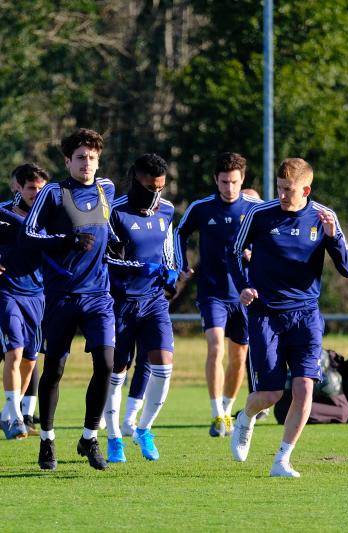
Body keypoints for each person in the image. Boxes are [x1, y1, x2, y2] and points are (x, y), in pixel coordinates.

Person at [229, 158, 348, 477]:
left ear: (306, 189)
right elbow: (233, 253)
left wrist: (333, 237)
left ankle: (282, 460)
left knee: (304, 388)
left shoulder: (324, 217)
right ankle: (245, 418)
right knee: (270, 394)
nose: (283, 195)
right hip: (266, 316)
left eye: (290, 190)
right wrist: (244, 287)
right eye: (280, 188)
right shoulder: (260, 214)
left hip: (306, 317)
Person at [23, 128, 116, 471]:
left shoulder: (107, 189)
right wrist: (66, 240)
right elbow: (29, 234)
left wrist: (118, 243)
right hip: (61, 295)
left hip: (99, 296)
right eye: (80, 158)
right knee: (55, 369)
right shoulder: (52, 192)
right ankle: (47, 441)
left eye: (92, 157)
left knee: (107, 364)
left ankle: (90, 437)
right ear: (67, 161)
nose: (87, 163)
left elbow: (107, 228)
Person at [173, 152, 262, 437]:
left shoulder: (255, 208)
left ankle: (227, 407)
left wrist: (254, 253)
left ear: (242, 179)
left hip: (245, 294)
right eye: (224, 182)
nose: (229, 188)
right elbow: (179, 233)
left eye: (234, 182)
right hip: (212, 291)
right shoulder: (202, 208)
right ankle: (217, 415)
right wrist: (181, 263)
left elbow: (272, 238)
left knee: (239, 356)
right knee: (215, 346)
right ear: (216, 180)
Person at [103, 154, 177, 463]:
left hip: (154, 302)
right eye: (150, 188)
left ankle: (143, 428)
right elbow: (105, 259)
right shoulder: (115, 211)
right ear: (136, 181)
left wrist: (172, 271)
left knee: (164, 364)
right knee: (117, 370)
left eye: (160, 187)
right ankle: (113, 436)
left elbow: (167, 249)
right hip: (121, 302)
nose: (156, 194)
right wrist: (138, 267)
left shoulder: (167, 210)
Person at [0, 163, 48, 439]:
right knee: (13, 351)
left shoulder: (48, 216)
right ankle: (15, 415)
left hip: (37, 295)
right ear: (19, 187)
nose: (35, 193)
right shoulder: (0, 213)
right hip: (6, 292)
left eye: (40, 189)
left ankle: (8, 412)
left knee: (30, 357)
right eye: (30, 188)